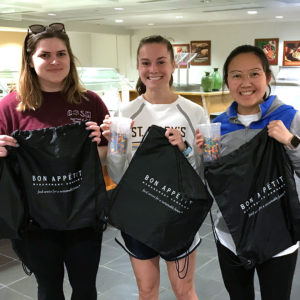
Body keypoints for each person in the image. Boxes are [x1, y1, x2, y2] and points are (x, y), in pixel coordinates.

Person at [0, 23, 109, 300]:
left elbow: (103, 161)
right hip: (34, 220)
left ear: (70, 58)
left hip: (83, 216)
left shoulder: (91, 102)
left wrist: (102, 142)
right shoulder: (9, 107)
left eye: (61, 54)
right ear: (30, 60)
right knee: (48, 288)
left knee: (85, 288)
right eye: (44, 55)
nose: (55, 61)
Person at [101, 35, 208, 300]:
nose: (153, 70)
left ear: (173, 65)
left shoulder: (194, 113)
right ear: (138, 67)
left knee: (184, 290)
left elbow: (202, 173)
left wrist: (185, 149)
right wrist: (113, 144)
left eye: (161, 61)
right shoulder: (125, 113)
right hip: (139, 217)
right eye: (145, 62)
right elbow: (117, 174)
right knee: (146, 291)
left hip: (178, 215)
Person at [196, 44, 300, 300]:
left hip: (279, 234)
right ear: (227, 81)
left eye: (254, 73)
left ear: (267, 76)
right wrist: (199, 155)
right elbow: (211, 182)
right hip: (231, 233)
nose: (246, 82)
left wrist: (291, 141)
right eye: (236, 75)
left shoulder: (289, 117)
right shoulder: (218, 125)